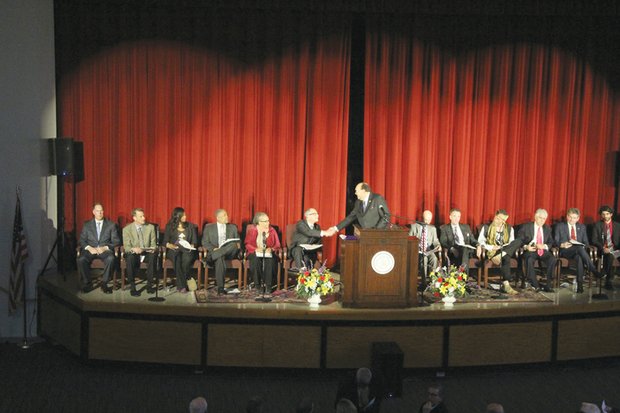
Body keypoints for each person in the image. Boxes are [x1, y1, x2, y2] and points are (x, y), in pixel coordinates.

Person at [554, 207, 600, 293]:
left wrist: (582, 245)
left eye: (574, 218)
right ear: (567, 216)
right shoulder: (560, 226)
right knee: (579, 249)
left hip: (579, 251)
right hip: (565, 250)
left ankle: (580, 286)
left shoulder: (581, 227)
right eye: (570, 217)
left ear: (578, 218)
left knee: (579, 258)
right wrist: (562, 245)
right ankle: (593, 270)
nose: (572, 219)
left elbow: (586, 242)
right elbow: (555, 241)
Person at [77, 202, 120, 294]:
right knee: (81, 259)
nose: (100, 213)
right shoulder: (87, 225)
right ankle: (88, 283)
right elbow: (82, 240)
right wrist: (89, 248)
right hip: (90, 250)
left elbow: (116, 241)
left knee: (111, 258)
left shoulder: (111, 225)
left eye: (101, 211)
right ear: (93, 212)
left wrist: (105, 248)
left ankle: (104, 283)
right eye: (97, 211)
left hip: (104, 250)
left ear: (103, 212)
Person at [478, 209, 522, 295]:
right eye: (500, 219)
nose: (501, 222)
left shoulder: (509, 228)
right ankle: (506, 284)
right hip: (492, 251)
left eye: (504, 220)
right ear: (495, 216)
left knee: (518, 241)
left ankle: (505, 283)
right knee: (506, 257)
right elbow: (480, 242)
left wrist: (504, 249)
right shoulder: (486, 227)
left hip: (504, 249)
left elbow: (511, 243)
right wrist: (491, 247)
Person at [201, 209, 240, 294]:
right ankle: (221, 288)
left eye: (226, 215)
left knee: (233, 245)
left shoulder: (233, 227)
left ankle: (210, 258)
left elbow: (238, 242)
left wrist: (237, 245)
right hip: (217, 252)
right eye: (224, 215)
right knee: (220, 257)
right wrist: (213, 249)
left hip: (230, 253)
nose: (227, 217)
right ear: (218, 218)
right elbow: (204, 242)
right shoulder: (209, 228)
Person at [517, 209, 557, 292]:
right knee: (529, 259)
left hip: (542, 250)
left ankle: (548, 285)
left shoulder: (547, 228)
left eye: (544, 219)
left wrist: (544, 246)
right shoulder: (526, 227)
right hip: (531, 250)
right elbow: (518, 240)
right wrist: (526, 247)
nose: (542, 220)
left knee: (552, 259)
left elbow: (551, 242)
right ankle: (535, 284)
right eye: (540, 218)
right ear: (535, 217)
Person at [122, 208, 158, 296]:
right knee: (129, 257)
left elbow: (154, 244)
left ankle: (149, 285)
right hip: (134, 253)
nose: (144, 218)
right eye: (141, 216)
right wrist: (133, 249)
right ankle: (133, 286)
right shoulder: (127, 229)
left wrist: (152, 248)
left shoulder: (150, 227)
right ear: (134, 218)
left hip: (146, 253)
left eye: (143, 216)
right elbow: (126, 247)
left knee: (153, 256)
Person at [163, 207, 199, 294]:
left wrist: (191, 245)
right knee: (177, 258)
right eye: (183, 215)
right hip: (174, 250)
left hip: (187, 250)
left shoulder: (190, 226)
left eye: (185, 215)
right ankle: (184, 282)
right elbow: (164, 241)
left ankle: (181, 285)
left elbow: (195, 242)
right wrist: (169, 245)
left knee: (186, 259)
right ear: (177, 216)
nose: (185, 216)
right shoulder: (169, 226)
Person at [245, 212, 281, 294]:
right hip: (255, 252)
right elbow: (248, 244)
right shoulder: (252, 230)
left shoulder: (272, 230)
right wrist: (256, 249)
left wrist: (271, 249)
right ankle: (258, 285)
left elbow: (277, 245)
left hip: (268, 252)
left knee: (270, 260)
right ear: (259, 222)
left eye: (268, 221)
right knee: (255, 260)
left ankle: (268, 286)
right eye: (265, 221)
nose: (268, 223)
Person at [591, 205, 620, 290]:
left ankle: (603, 272)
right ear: (601, 215)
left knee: (612, 253)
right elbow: (594, 240)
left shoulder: (618, 225)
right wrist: (603, 247)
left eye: (607, 214)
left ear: (611, 214)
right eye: (603, 214)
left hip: (616, 249)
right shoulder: (597, 225)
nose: (605, 216)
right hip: (603, 249)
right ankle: (608, 281)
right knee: (610, 255)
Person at [409, 210, 440, 285]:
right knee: (424, 259)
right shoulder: (414, 226)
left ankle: (433, 281)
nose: (427, 222)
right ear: (422, 218)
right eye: (426, 219)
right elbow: (409, 239)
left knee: (434, 259)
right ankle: (424, 282)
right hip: (418, 251)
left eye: (429, 220)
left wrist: (438, 246)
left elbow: (435, 241)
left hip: (428, 250)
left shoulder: (433, 228)